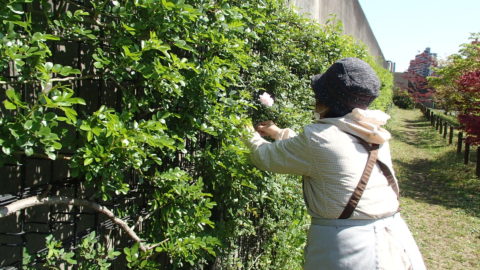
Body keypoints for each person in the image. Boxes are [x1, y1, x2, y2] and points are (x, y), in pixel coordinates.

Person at [246, 58, 426, 270]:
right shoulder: (373, 131)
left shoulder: (319, 139)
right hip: (396, 241)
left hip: (349, 249)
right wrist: (279, 133)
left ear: (326, 100)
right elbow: (327, 155)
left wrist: (243, 130)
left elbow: (264, 156)